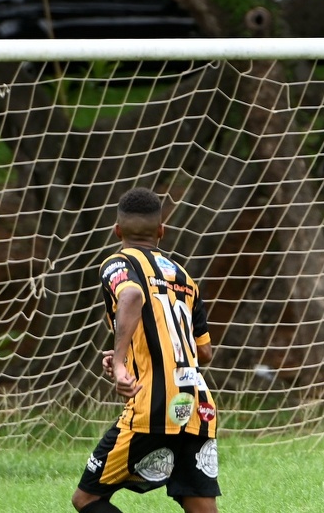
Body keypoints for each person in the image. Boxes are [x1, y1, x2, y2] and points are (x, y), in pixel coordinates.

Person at [72, 188, 220, 513]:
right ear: (162, 231)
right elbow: (204, 353)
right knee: (200, 505)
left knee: (87, 498)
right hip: (197, 404)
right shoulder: (185, 278)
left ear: (117, 231)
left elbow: (131, 297)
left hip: (154, 407)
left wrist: (122, 362)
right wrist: (130, 353)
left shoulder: (117, 263)